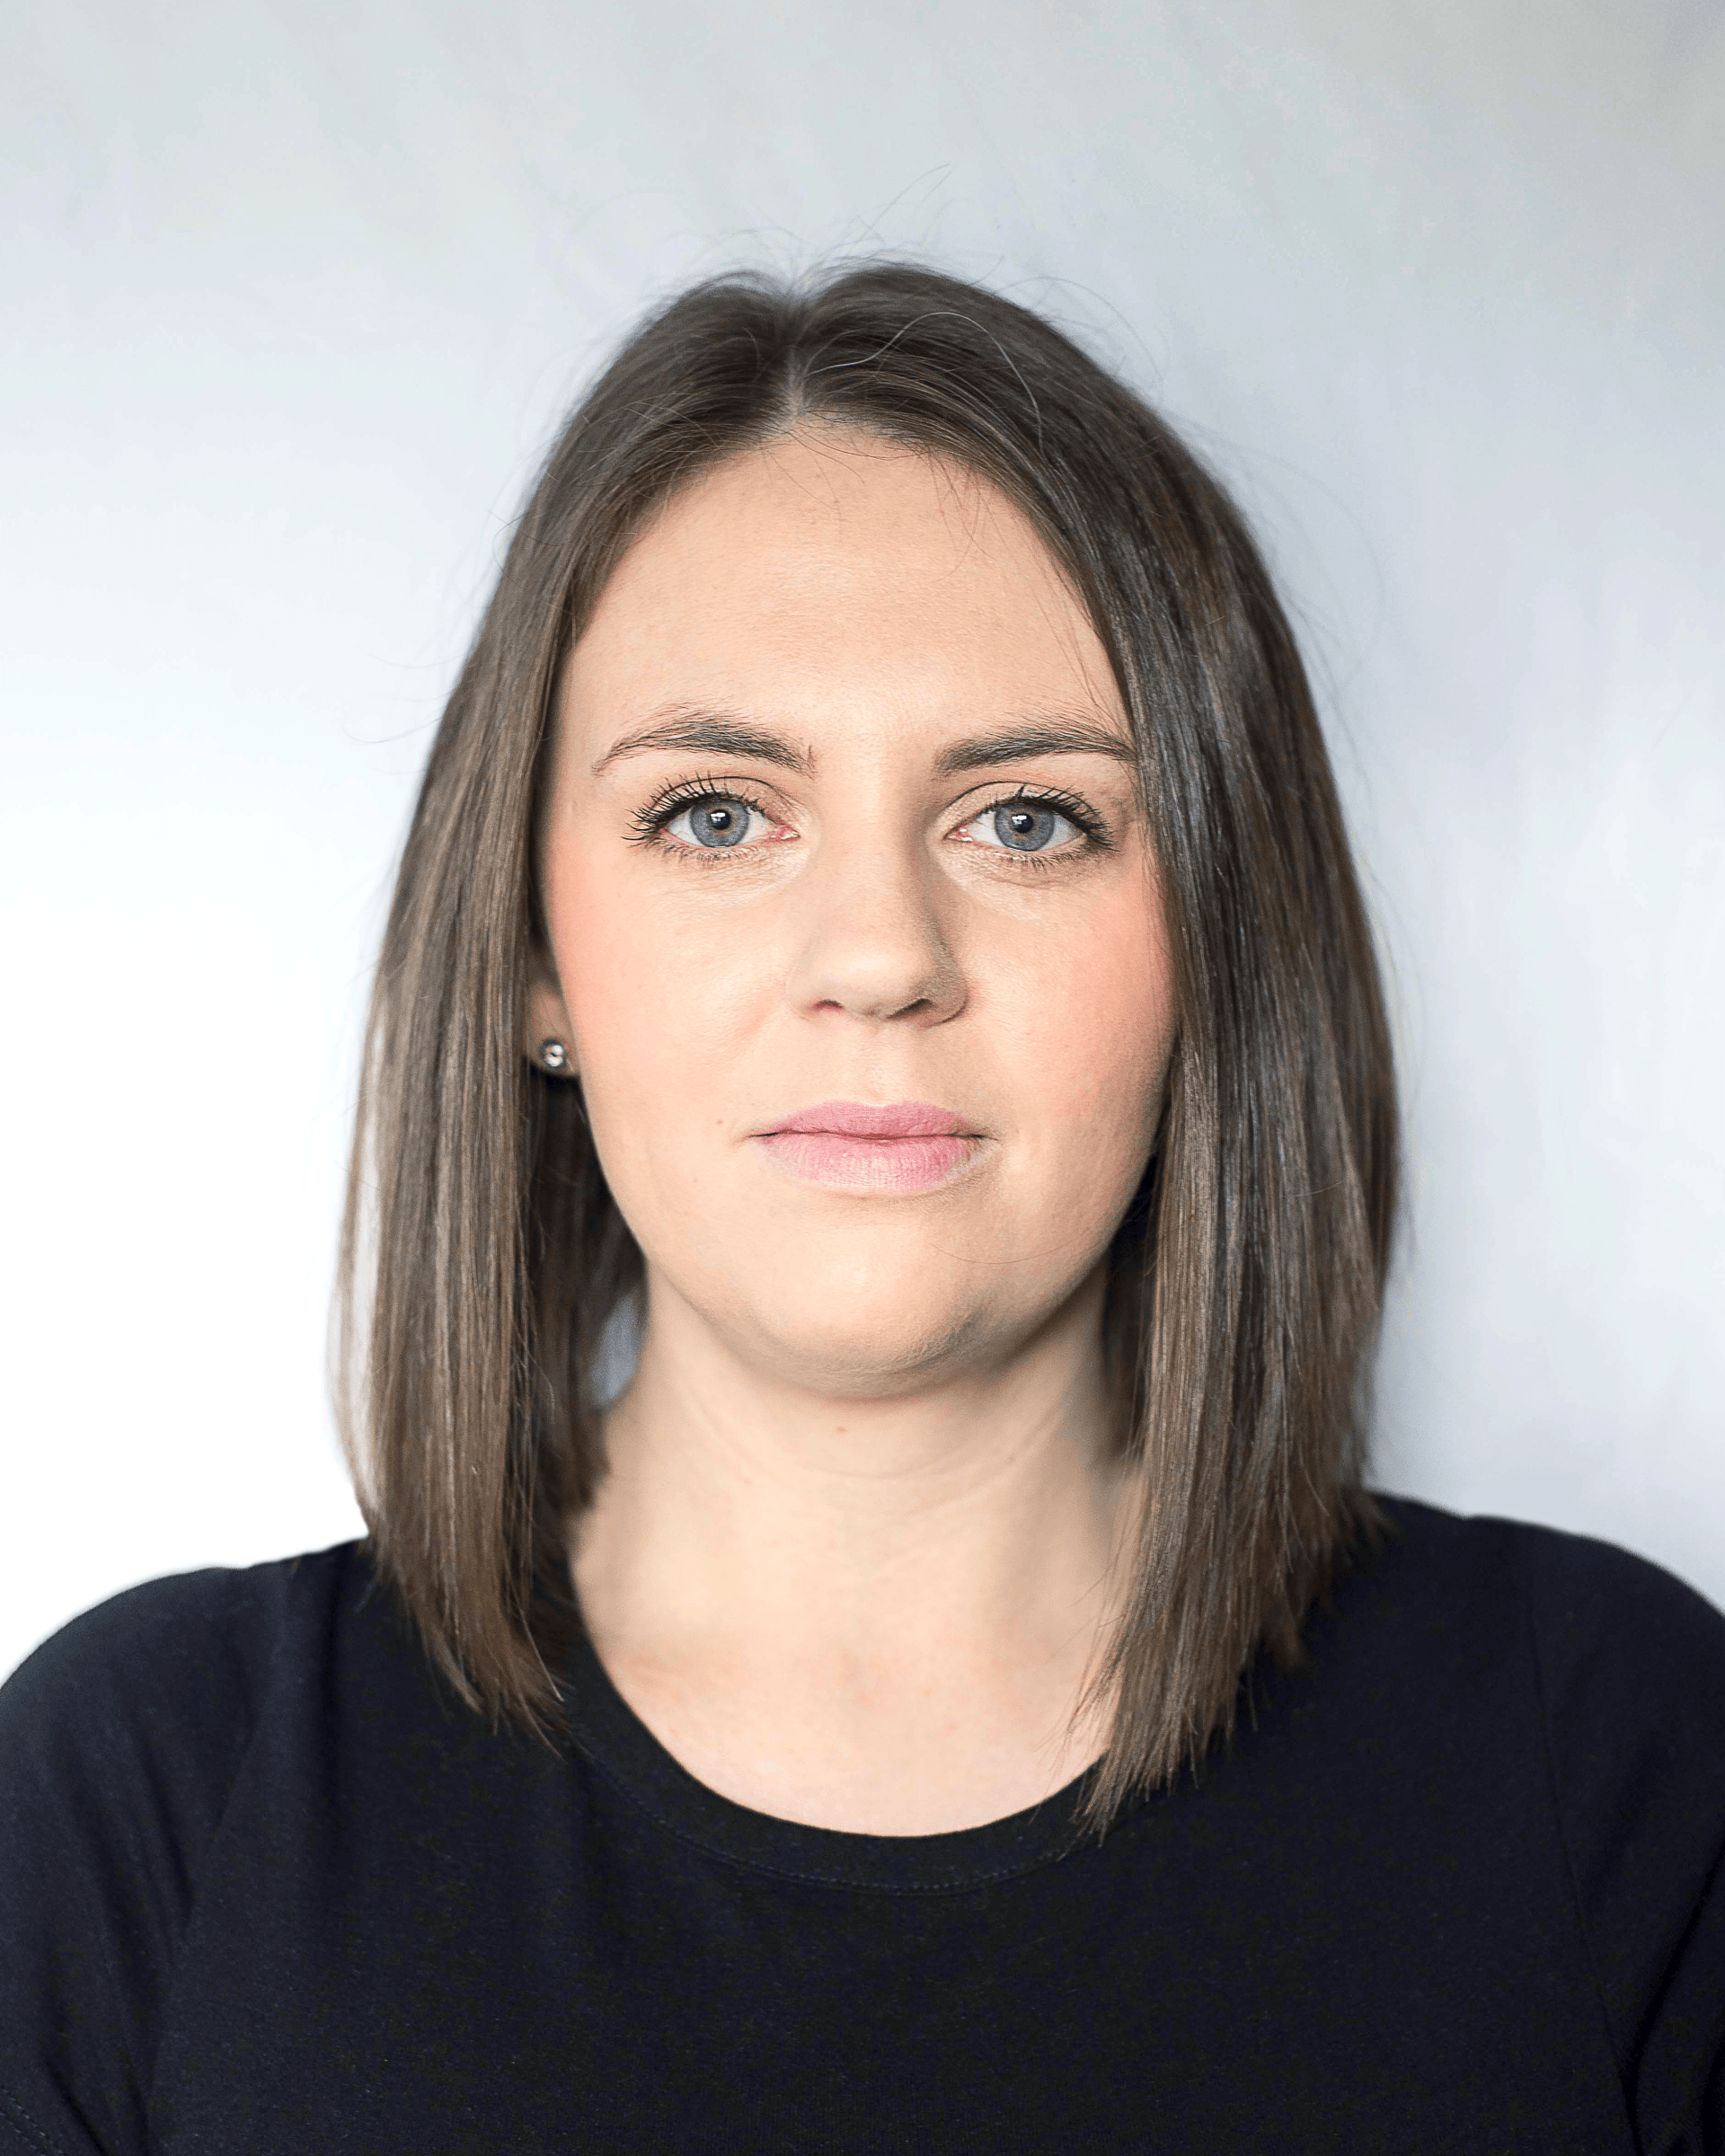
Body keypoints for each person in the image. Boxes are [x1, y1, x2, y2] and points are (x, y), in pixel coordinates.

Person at [2, 262, 1720, 2154]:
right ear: (531, 955)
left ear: (1224, 946)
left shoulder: (1620, 1765)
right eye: (718, 814)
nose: (884, 955)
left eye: (1031, 820)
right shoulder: (139, 1806)